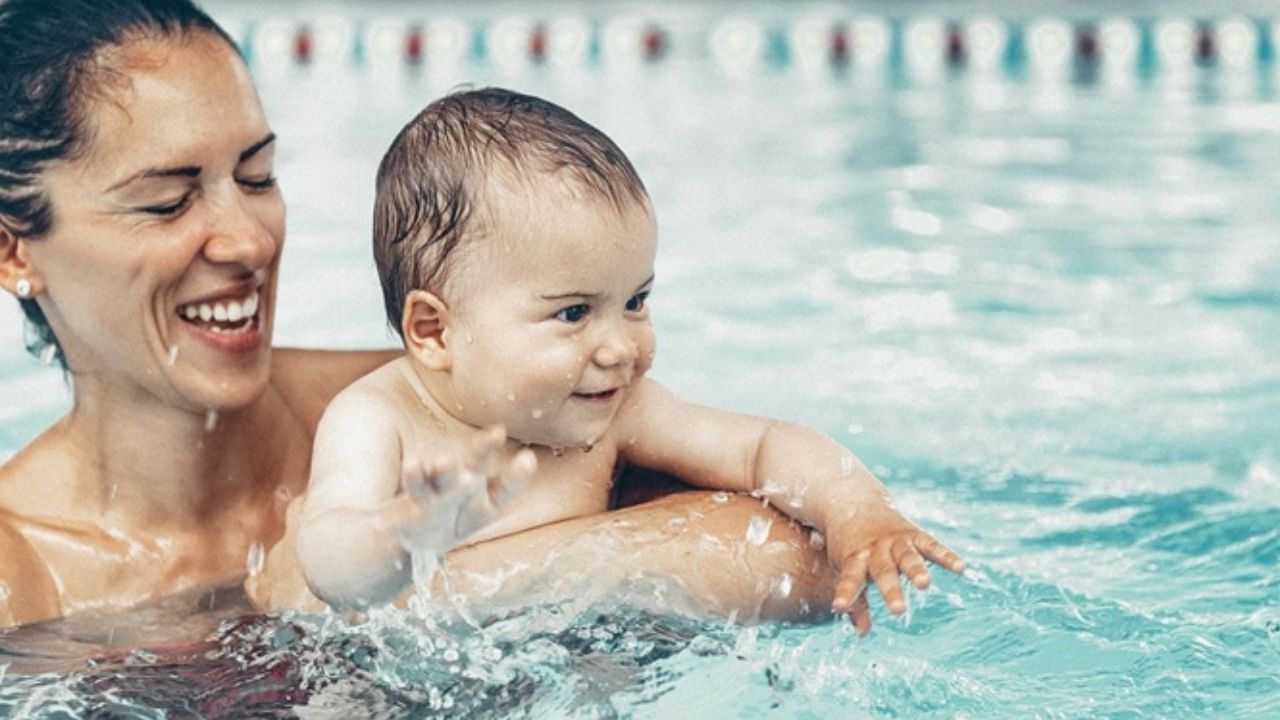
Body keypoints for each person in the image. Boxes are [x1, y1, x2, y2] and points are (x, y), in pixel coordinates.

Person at [0, 0, 844, 631]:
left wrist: (420, 589)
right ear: (14, 253)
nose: (247, 239)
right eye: (167, 202)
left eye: (257, 178)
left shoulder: (423, 407)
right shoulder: (25, 580)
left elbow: (795, 561)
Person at [283, 88, 965, 632]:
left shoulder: (617, 409)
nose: (622, 347)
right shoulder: (379, 419)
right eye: (574, 313)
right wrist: (402, 533)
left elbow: (762, 448)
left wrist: (859, 515)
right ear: (434, 331)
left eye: (636, 301)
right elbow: (330, 566)